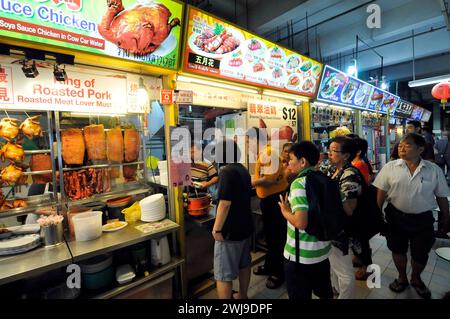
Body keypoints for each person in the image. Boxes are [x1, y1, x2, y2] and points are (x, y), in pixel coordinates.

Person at [373, 133, 450, 299]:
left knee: (421, 253)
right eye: (400, 145)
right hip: (396, 217)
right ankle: (402, 277)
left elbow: (442, 196)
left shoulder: (433, 170)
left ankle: (416, 278)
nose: (401, 148)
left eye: (407, 145)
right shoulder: (390, 167)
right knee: (397, 248)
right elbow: (381, 192)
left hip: (423, 219)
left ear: (420, 149)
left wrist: (446, 217)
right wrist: (377, 213)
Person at [278, 141, 333, 299]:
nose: (289, 163)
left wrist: (285, 211)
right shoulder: (324, 178)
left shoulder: (299, 184)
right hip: (322, 251)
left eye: (291, 159)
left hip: (300, 255)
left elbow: (301, 223)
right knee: (324, 293)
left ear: (303, 162)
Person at [212, 139, 254, 299]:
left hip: (230, 231)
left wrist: (217, 228)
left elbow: (224, 204)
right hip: (245, 226)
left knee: (223, 274)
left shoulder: (226, 172)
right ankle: (242, 296)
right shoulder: (242, 169)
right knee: (244, 264)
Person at [249, 127, 288, 289]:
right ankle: (270, 266)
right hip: (269, 200)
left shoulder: (267, 153)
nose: (247, 145)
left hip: (274, 200)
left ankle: (279, 273)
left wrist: (251, 182)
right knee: (271, 236)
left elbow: (270, 179)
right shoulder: (265, 153)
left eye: (248, 141)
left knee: (277, 237)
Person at [327, 136, 362, 299]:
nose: (329, 153)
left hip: (343, 231)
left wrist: (330, 192)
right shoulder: (332, 169)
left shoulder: (350, 174)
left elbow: (349, 209)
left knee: (345, 272)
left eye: (334, 151)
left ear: (346, 155)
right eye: (330, 149)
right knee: (334, 265)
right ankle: (335, 290)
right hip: (333, 228)